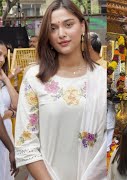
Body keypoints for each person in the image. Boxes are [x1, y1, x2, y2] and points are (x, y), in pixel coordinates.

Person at [14, 0, 107, 179]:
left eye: (68, 24)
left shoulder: (102, 78)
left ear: (82, 26)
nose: (61, 34)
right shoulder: (35, 78)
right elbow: (26, 144)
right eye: (53, 28)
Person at [0, 40, 19, 179]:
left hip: (6, 136)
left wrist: (6, 79)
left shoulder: (3, 80)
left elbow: (17, 104)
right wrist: (11, 113)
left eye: (5, 56)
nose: (2, 60)